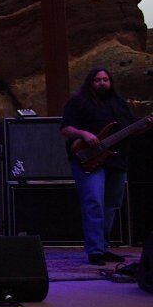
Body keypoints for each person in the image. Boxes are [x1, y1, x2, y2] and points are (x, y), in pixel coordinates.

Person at [61, 67, 136, 266]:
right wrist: (84, 134)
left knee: (111, 206)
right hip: (89, 159)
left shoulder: (119, 104)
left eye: (105, 79)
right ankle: (94, 251)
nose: (102, 83)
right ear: (90, 82)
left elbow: (132, 128)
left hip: (116, 160)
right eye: (97, 80)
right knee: (93, 202)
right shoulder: (79, 102)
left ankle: (103, 247)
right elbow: (66, 128)